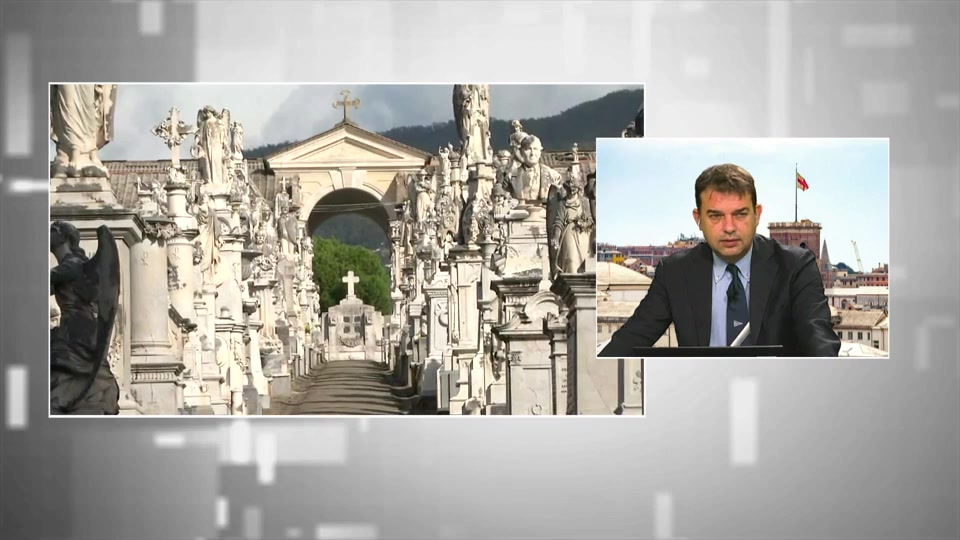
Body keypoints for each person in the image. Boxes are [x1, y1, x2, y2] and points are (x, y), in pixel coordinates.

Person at [599, 164, 840, 358]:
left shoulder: (796, 266)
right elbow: (630, 340)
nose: (729, 228)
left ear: (757, 215)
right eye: (716, 216)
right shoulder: (675, 273)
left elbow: (819, 340)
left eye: (740, 214)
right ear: (698, 219)